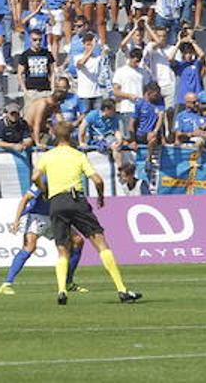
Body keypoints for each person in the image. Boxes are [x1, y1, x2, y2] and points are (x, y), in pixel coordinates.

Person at [31, 121, 141, 305]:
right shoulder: (77, 155)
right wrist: (100, 197)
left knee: (62, 249)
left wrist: (44, 191)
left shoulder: (47, 156)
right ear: (70, 136)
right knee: (100, 243)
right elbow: (97, 180)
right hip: (76, 200)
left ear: (56, 137)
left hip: (57, 201)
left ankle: (61, 290)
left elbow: (35, 177)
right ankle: (122, 289)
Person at [0, 182, 86, 296]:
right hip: (36, 216)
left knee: (78, 241)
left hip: (54, 216)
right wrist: (16, 220)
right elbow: (25, 199)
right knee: (29, 247)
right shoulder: (44, 180)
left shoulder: (66, 179)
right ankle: (6, 284)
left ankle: (68, 282)